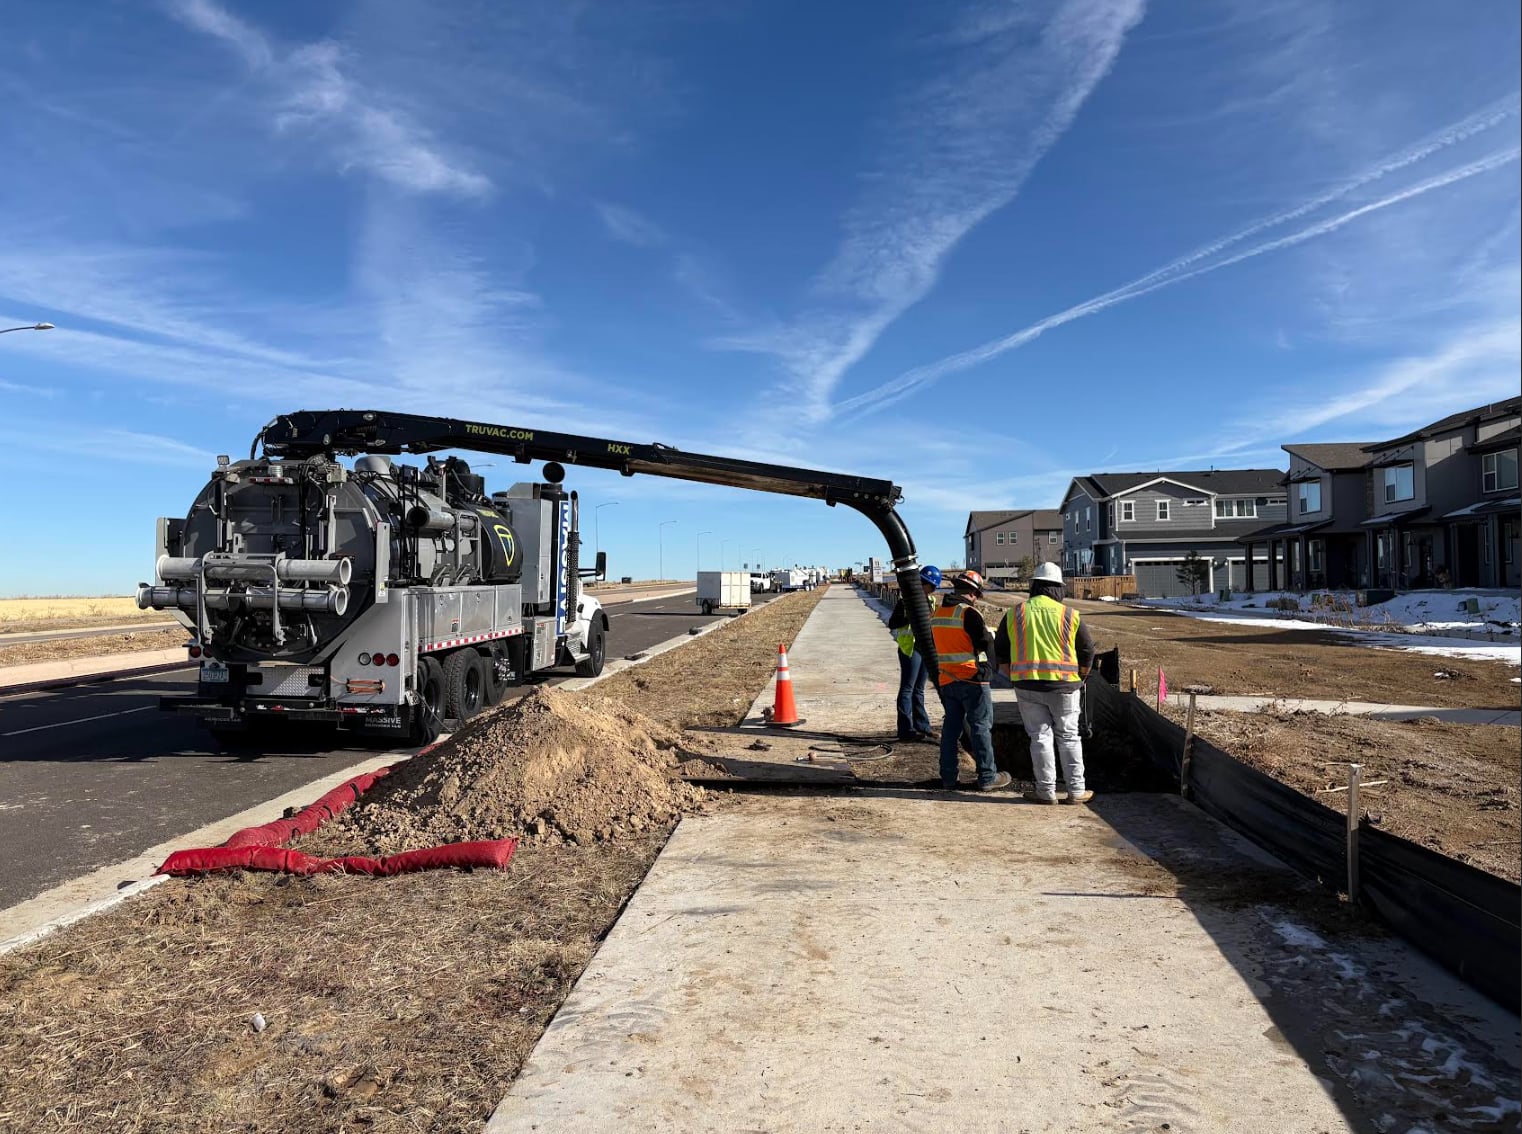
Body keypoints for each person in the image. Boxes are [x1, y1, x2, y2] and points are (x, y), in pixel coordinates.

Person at [995, 562, 1096, 805]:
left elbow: (1001, 651)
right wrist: (1081, 676)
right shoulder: (1069, 615)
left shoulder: (1015, 613)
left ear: (1034, 586)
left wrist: (1013, 675)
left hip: (1027, 686)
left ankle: (1045, 791)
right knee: (1069, 737)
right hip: (1064, 686)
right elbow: (1087, 650)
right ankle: (1076, 791)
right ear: (1058, 588)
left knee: (1039, 738)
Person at [931, 570, 1011, 792]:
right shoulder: (969, 613)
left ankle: (948, 777)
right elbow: (985, 644)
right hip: (973, 680)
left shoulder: (938, 614)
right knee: (980, 728)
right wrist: (990, 661)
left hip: (947, 680)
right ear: (973, 593)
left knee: (950, 730)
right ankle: (987, 776)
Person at [887, 565, 941, 741]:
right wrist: (910, 617)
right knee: (907, 688)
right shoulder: (906, 602)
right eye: (931, 586)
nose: (932, 590)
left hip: (925, 648)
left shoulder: (931, 601)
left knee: (919, 689)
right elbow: (893, 623)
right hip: (910, 649)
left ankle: (922, 726)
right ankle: (905, 730)